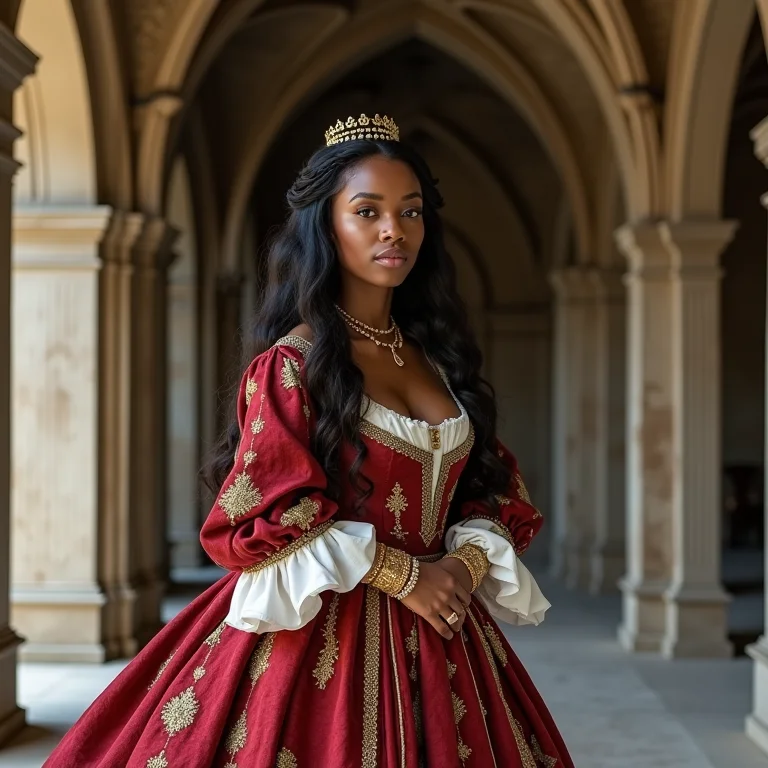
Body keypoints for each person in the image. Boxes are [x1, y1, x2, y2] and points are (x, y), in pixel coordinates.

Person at [44, 113, 574, 768]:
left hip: (449, 629)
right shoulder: (291, 367)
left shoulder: (437, 359)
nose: (393, 230)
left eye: (410, 212)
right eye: (368, 211)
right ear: (325, 224)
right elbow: (271, 514)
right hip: (326, 640)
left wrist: (460, 568)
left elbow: (493, 487)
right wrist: (405, 574)